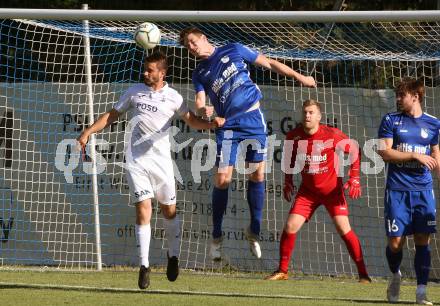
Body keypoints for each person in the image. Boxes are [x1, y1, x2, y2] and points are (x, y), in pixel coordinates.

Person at [77, 51, 224, 289]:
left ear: (162, 73)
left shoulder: (173, 97)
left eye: (150, 70)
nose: (145, 73)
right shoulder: (134, 91)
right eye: (145, 69)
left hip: (162, 163)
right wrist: (87, 132)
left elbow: (192, 121)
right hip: (136, 161)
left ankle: (173, 256)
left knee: (169, 212)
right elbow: (112, 116)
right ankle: (144, 266)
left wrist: (211, 124)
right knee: (144, 210)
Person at [179, 27, 317, 260]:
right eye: (187, 46)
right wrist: (205, 110)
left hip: (252, 119)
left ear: (203, 37)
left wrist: (300, 77)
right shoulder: (200, 72)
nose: (191, 48)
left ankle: (254, 230)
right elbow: (200, 102)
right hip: (227, 125)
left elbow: (270, 64)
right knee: (222, 179)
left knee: (257, 176)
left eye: (193, 42)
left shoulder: (233, 49)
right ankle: (216, 236)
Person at [265, 99, 371, 283]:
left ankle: (363, 275)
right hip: (308, 192)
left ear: (319, 116)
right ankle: (282, 270)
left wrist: (354, 178)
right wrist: (288, 181)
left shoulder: (332, 134)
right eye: (305, 112)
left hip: (332, 192)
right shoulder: (293, 136)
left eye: (311, 112)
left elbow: (355, 150)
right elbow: (289, 160)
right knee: (290, 226)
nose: (307, 115)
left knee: (344, 229)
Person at [378, 78, 439, 305]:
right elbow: (385, 152)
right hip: (397, 190)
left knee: (423, 239)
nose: (398, 98)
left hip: (423, 190)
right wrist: (414, 155)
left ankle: (421, 292)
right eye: (397, 94)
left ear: (415, 96)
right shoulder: (391, 120)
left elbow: (435, 154)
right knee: (395, 242)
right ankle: (396, 275)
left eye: (402, 95)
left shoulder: (433, 123)